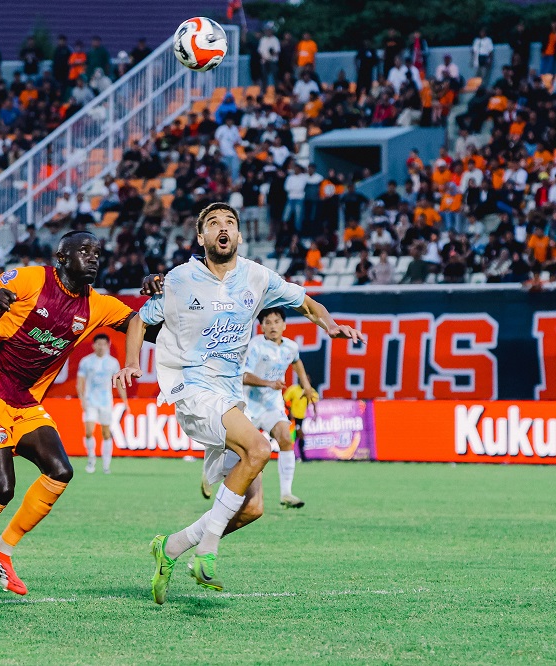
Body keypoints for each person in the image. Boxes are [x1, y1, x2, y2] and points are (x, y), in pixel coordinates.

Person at [113, 203, 362, 603]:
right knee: (261, 448)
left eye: (229, 222)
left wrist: (330, 325)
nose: (222, 228)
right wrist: (130, 363)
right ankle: (208, 549)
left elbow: (306, 303)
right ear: (201, 238)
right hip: (192, 388)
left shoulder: (257, 277)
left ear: (240, 236)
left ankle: (173, 547)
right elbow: (139, 320)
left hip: (230, 396)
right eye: (212, 223)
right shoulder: (179, 279)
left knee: (252, 508)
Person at [0, 231, 137, 614]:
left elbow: (143, 323)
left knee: (60, 471)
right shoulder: (29, 280)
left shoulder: (98, 306)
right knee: (2, 489)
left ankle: (1, 550)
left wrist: (161, 298)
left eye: (98, 253)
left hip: (24, 401)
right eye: (85, 251)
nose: (94, 258)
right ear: (62, 256)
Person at [230, 307, 317, 508]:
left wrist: (306, 385)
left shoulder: (291, 347)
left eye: (276, 321)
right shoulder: (255, 346)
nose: (272, 326)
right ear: (261, 327)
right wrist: (268, 383)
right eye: (267, 322)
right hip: (248, 405)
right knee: (241, 452)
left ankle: (286, 493)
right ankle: (216, 477)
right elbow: (243, 376)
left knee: (286, 438)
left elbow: (297, 362)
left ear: (284, 325)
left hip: (271, 404)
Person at [76, 334, 128, 474]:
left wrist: (125, 401)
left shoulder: (113, 362)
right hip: (90, 401)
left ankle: (106, 465)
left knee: (106, 433)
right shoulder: (86, 362)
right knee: (88, 431)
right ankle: (91, 458)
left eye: (103, 344)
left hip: (105, 402)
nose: (100, 346)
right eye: (98, 344)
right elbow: (80, 382)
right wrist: (82, 399)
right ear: (93, 345)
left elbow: (118, 382)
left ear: (108, 345)